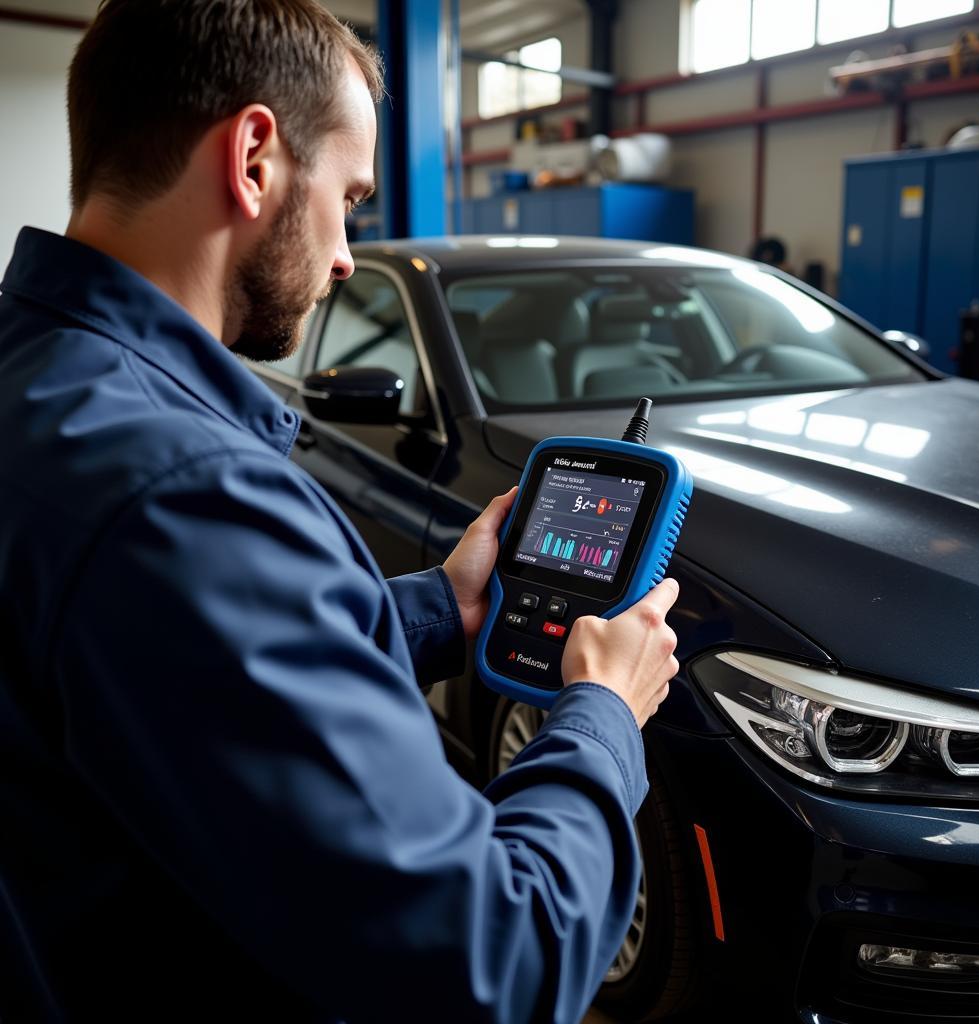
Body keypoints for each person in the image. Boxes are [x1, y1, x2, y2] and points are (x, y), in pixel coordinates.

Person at [0, 2, 679, 1021]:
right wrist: (602, 717)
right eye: (350, 198)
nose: (349, 253)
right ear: (256, 157)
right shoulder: (185, 491)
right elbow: (492, 958)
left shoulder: (37, 380)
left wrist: (437, 610)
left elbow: (171, 675)